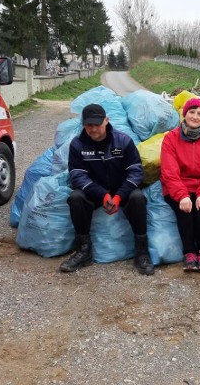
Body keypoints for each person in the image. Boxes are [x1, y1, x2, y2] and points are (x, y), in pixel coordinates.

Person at [61, 103, 155, 275]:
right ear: (83, 124)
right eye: (89, 125)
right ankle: (84, 250)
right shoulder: (77, 145)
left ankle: (141, 252)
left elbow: (135, 172)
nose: (93, 129)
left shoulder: (123, 141)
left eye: (97, 124)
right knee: (75, 198)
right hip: (94, 192)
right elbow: (77, 176)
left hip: (122, 191)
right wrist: (102, 194)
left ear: (106, 120)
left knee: (138, 198)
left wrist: (119, 196)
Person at [160, 97, 200, 272]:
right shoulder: (171, 139)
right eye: (191, 112)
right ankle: (189, 252)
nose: (195, 116)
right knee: (185, 211)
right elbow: (169, 171)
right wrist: (182, 195)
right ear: (184, 114)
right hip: (177, 187)